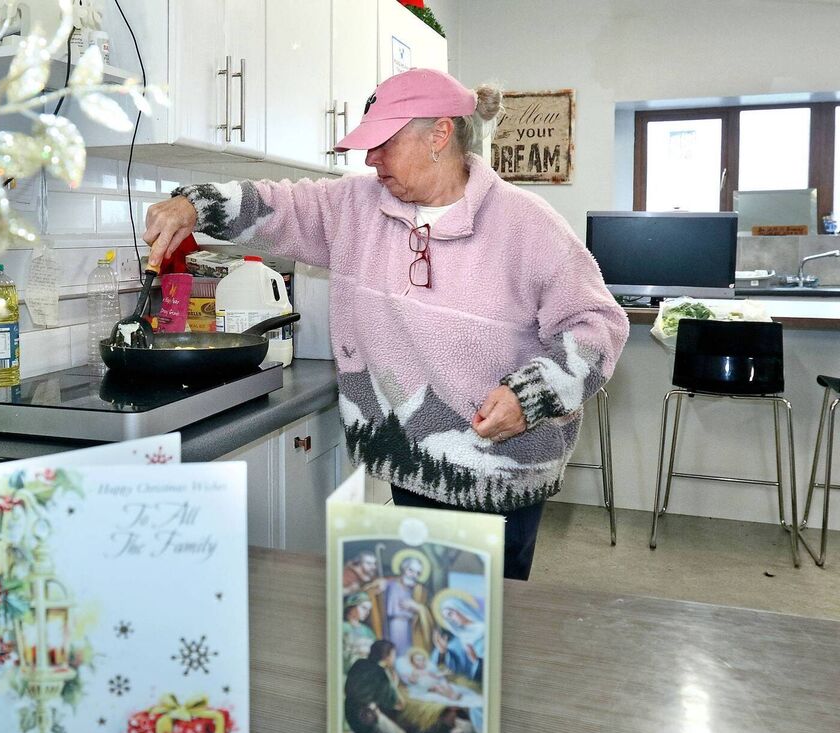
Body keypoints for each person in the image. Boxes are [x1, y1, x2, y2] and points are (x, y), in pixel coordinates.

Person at [143, 68, 629, 582]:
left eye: (383, 143)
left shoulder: (526, 222)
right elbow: (278, 203)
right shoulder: (355, 206)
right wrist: (193, 205)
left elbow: (598, 325)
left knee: (479, 630)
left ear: (440, 135)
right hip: (410, 460)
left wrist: (530, 395)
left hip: (497, 472)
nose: (369, 158)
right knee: (422, 620)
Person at [342, 639, 414, 733]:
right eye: (393, 655)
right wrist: (393, 684)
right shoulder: (382, 674)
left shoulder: (359, 664)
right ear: (386, 657)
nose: (394, 658)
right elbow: (399, 704)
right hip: (368, 717)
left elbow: (347, 689)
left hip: (350, 715)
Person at [382, 554, 430, 656]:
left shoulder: (419, 590)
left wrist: (417, 607)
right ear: (403, 569)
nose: (413, 575)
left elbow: (427, 613)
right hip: (395, 624)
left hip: (412, 626)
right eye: (410, 570)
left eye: (418, 573)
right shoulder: (391, 584)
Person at [341, 548, 386, 634]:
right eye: (369, 563)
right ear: (359, 563)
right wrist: (348, 590)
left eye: (374, 564)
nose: (373, 567)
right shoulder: (349, 574)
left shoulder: (369, 574)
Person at [341, 591, 378, 672]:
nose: (367, 612)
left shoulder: (368, 631)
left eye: (369, 609)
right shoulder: (342, 628)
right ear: (352, 607)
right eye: (364, 608)